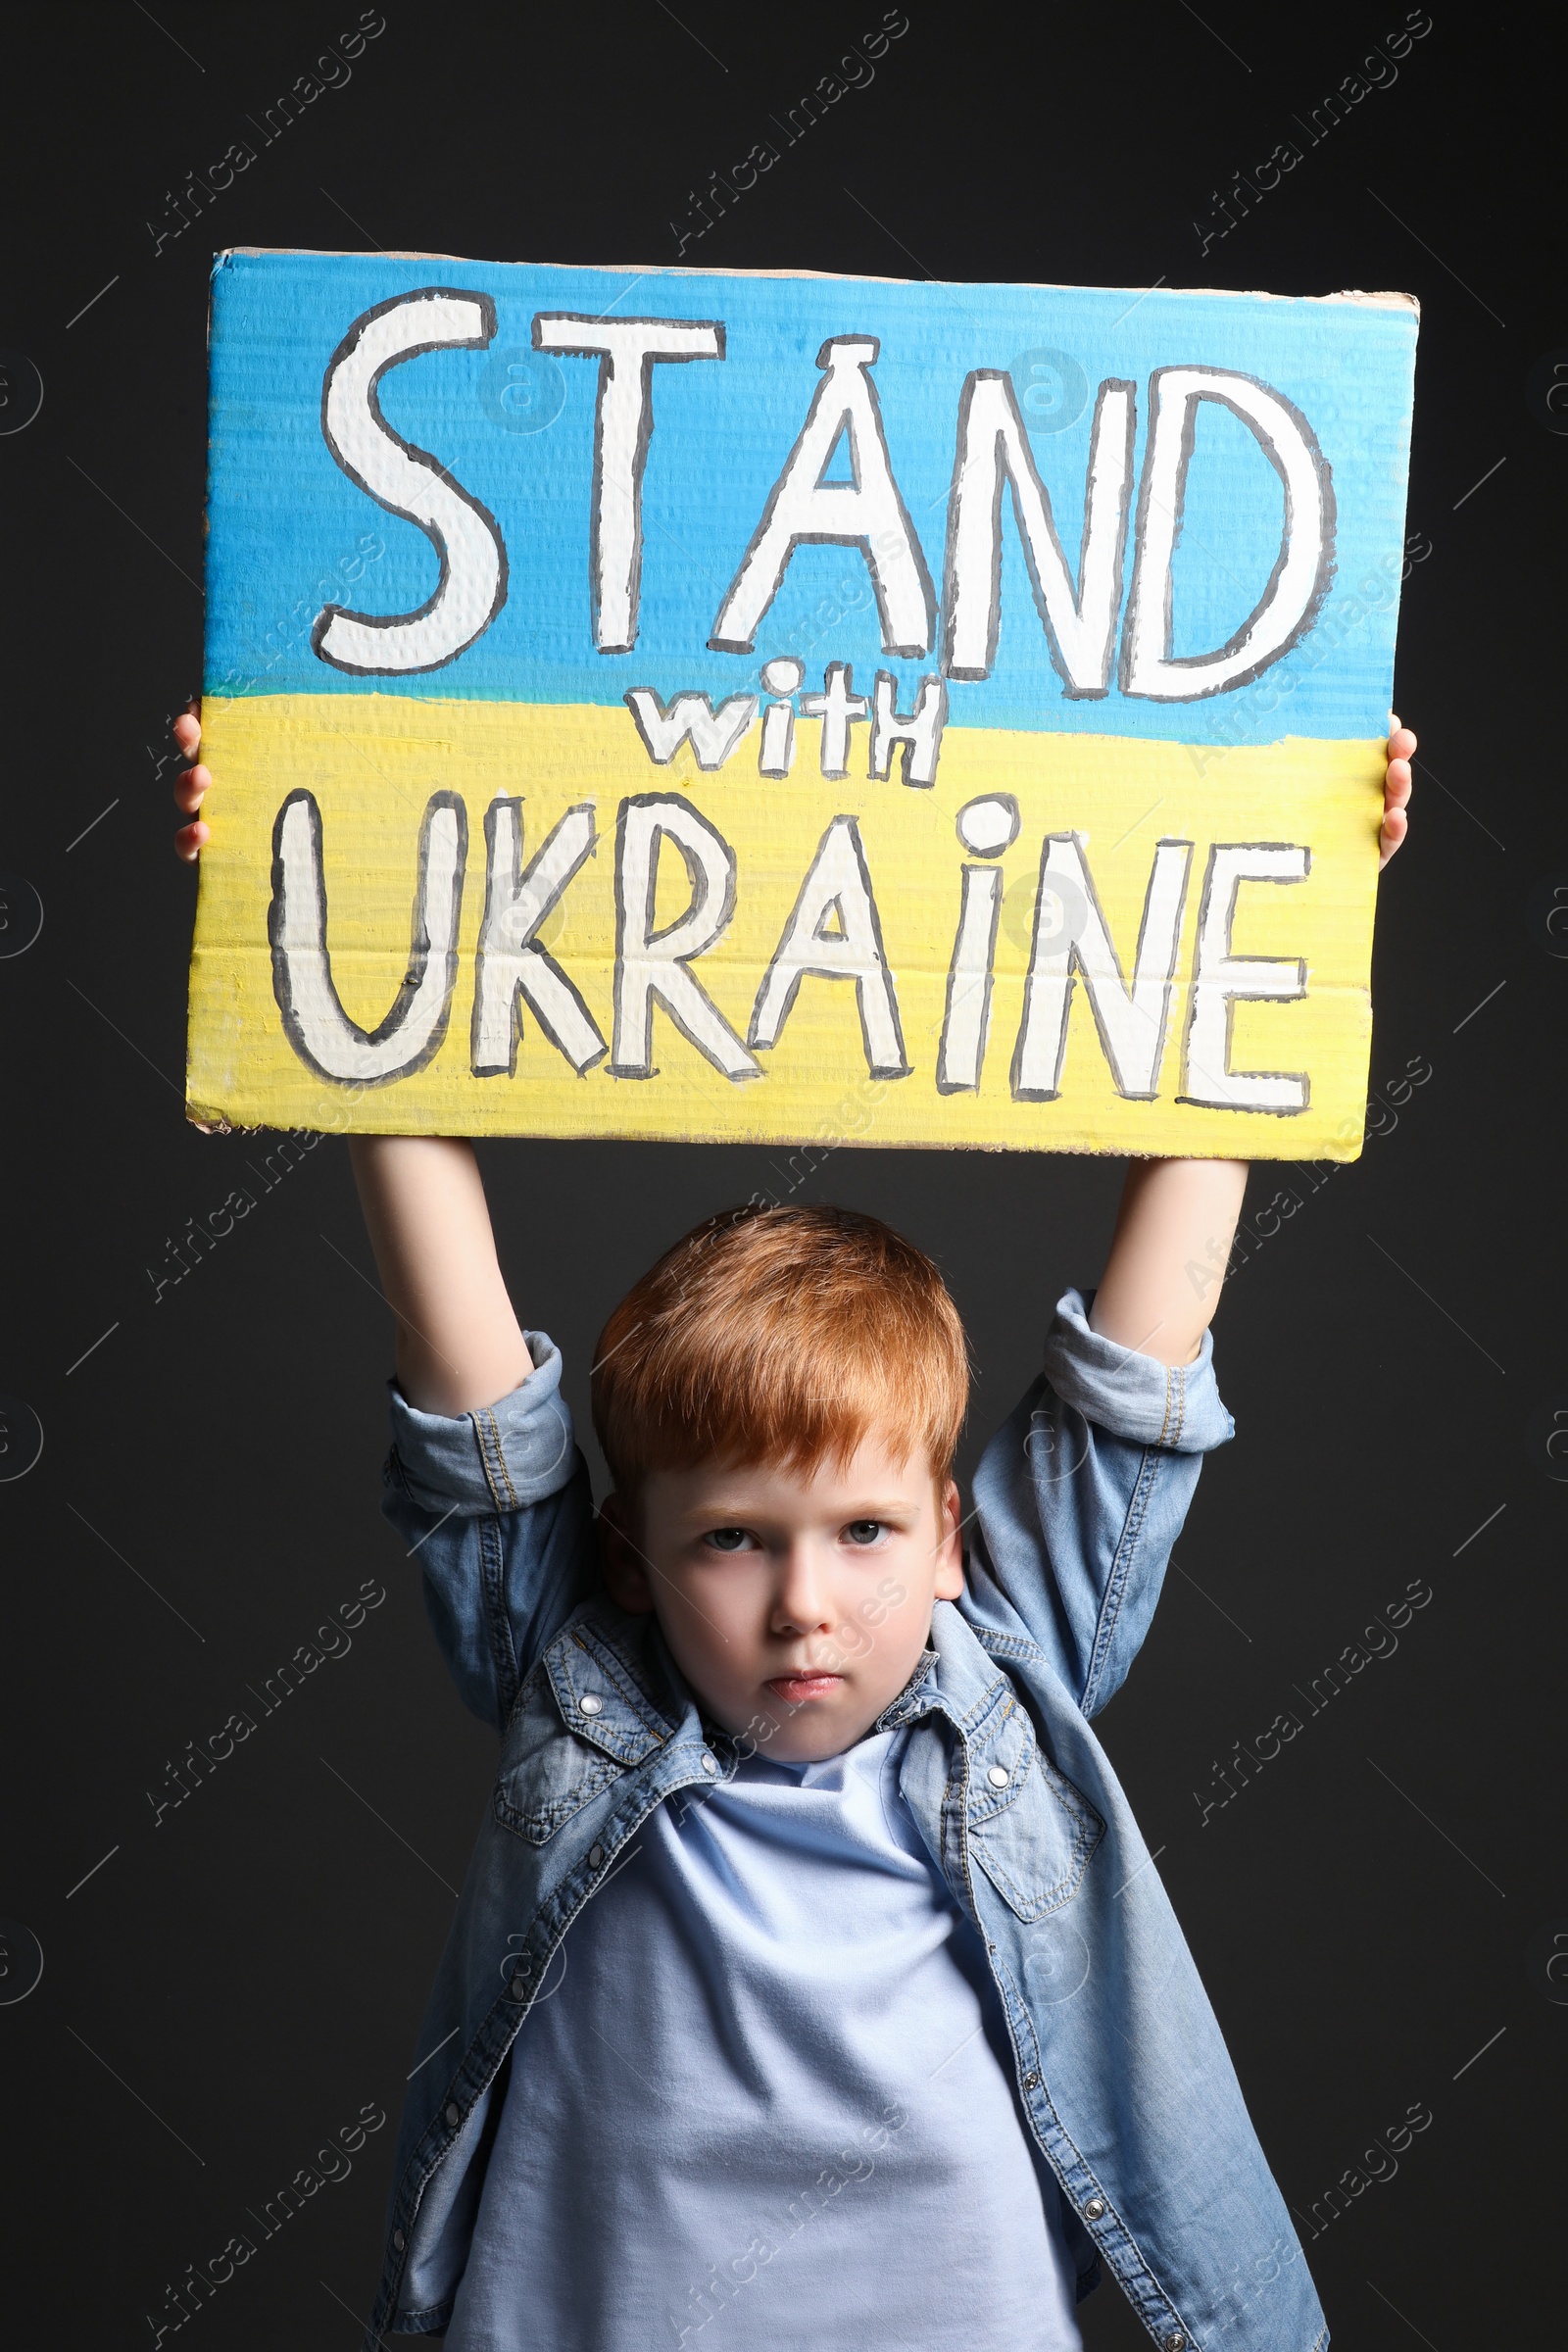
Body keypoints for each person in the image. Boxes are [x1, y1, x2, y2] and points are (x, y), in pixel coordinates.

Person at [172, 713, 1415, 2350]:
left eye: (867, 1533)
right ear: (631, 1560)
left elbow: (1139, 1374)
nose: (807, 1607)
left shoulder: (1007, 1664)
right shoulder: (577, 1672)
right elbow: (471, 1395)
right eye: (735, 1542)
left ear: (955, 1539)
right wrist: (308, 885)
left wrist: (1288, 894)